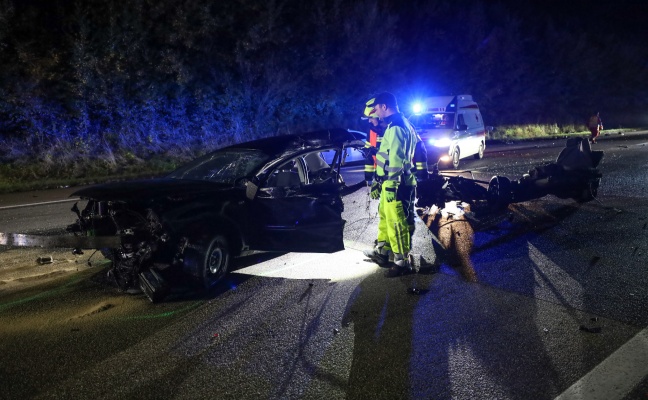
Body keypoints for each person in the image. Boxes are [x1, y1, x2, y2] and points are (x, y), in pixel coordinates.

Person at [362, 92, 418, 276]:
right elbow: (388, 156)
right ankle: (382, 252)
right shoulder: (401, 124)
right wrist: (380, 180)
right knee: (386, 218)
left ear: (384, 106)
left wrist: (392, 184)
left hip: (396, 184)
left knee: (396, 222)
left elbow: (396, 159)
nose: (375, 113)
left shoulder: (396, 127)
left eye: (376, 108)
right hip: (391, 182)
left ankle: (402, 262)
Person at [361, 98, 386, 185]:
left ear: (379, 118)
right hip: (380, 175)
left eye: (371, 118)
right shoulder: (371, 131)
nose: (369, 120)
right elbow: (369, 157)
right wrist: (369, 178)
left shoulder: (393, 129)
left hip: (393, 175)